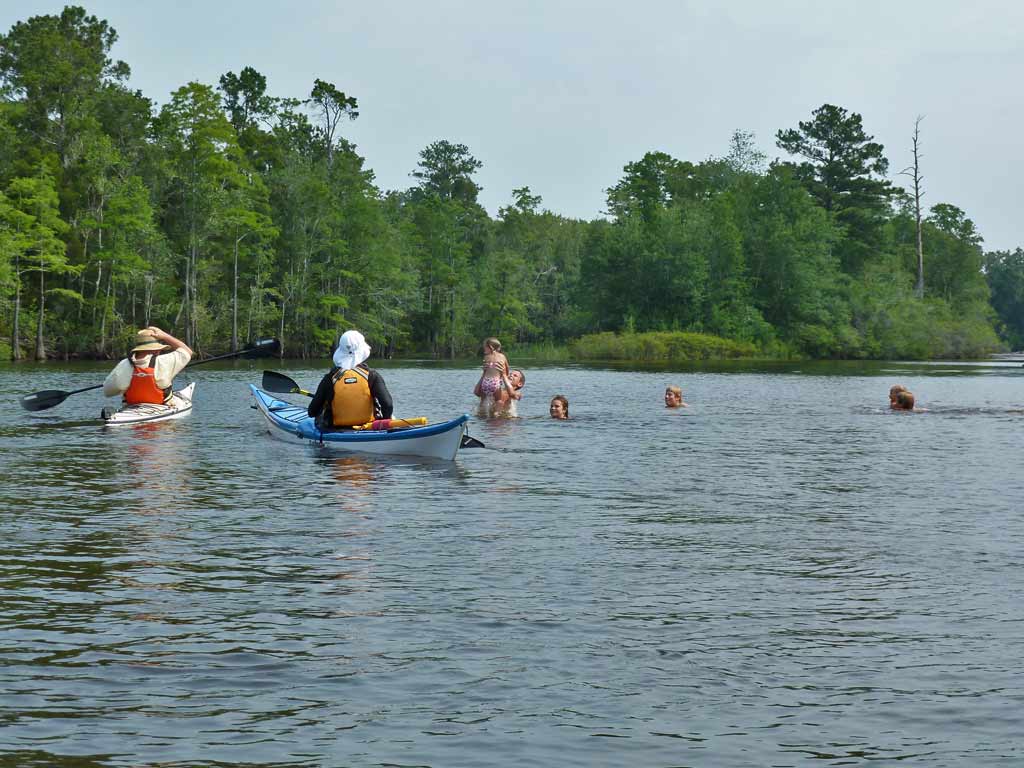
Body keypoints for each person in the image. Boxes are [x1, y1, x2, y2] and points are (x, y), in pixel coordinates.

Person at [308, 330, 393, 430]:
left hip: (336, 430)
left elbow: (312, 411)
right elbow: (388, 405)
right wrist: (384, 423)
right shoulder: (372, 376)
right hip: (368, 428)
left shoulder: (330, 378)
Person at [103, 327, 192, 405]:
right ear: (156, 350)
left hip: (130, 408)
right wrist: (165, 336)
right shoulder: (163, 361)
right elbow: (187, 351)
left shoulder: (124, 364)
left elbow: (107, 392)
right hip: (162, 408)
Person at [474, 337, 512, 417]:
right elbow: (507, 368)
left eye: (485, 348)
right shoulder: (502, 356)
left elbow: (485, 370)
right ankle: (496, 413)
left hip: (485, 382)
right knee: (498, 400)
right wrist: (505, 376)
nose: (484, 350)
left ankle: (481, 412)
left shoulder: (486, 357)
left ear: (490, 347)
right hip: (495, 382)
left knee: (483, 399)